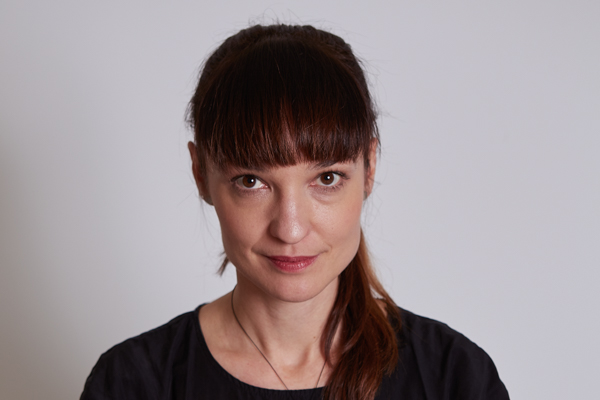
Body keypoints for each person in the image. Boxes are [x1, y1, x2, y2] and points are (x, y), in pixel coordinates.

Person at [80, 24, 509, 400]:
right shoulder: (133, 383)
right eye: (251, 181)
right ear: (200, 174)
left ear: (370, 167)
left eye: (327, 178)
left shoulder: (454, 377)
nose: (290, 228)